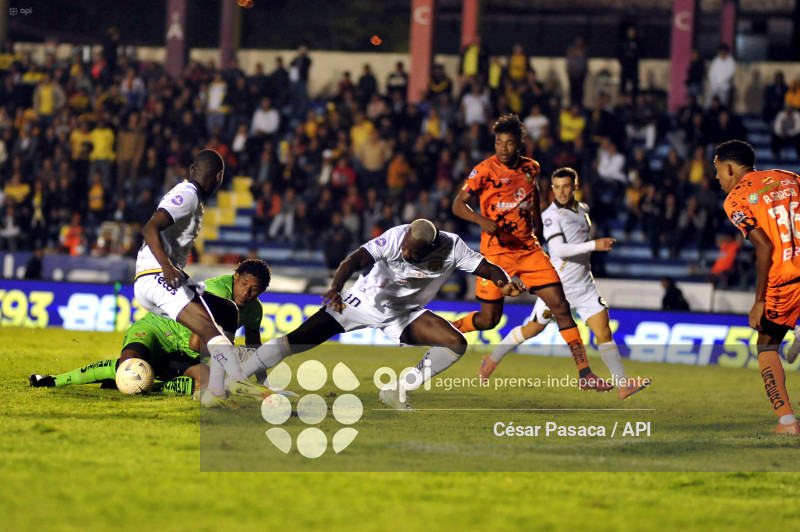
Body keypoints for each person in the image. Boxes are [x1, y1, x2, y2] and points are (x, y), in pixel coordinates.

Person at [239, 219, 527, 410]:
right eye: (404, 246)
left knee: (455, 343)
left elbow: (487, 268)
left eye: (411, 252)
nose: (404, 252)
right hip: (361, 301)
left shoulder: (453, 247)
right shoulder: (395, 238)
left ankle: (396, 391)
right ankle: (239, 376)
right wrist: (336, 288)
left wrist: (504, 282)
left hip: (404, 314)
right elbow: (354, 260)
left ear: (428, 248)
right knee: (298, 339)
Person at [450, 114, 612, 392]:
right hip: (495, 255)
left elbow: (532, 192)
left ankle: (585, 374)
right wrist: (479, 220)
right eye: (499, 142)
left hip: (528, 250)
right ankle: (451, 329)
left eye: (509, 143)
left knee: (560, 306)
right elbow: (457, 205)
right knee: (489, 320)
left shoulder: (531, 168)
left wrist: (536, 219)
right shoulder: (483, 171)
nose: (502, 148)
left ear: (519, 145)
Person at [479, 168, 650, 399]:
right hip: (559, 286)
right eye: (556, 187)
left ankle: (622, 384)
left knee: (603, 330)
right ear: (552, 189)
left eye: (566, 186)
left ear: (575, 187)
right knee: (533, 328)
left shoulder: (583, 210)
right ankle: (492, 358)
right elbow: (558, 249)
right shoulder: (551, 216)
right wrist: (594, 245)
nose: (561, 191)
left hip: (585, 284)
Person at [133, 149, 270, 407]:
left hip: (164, 278)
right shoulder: (187, 195)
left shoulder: (190, 196)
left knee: (228, 311)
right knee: (209, 330)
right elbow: (151, 227)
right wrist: (166, 266)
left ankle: (215, 392)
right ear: (218, 177)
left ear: (193, 169)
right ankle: (237, 380)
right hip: (155, 277)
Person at [29, 261, 272, 396]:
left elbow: (254, 347)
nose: (246, 292)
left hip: (186, 354)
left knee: (208, 382)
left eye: (254, 290)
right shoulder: (218, 294)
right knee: (129, 364)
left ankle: (155, 384)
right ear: (235, 276)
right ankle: (54, 381)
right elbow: (196, 344)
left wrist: (264, 384)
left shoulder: (254, 311)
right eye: (243, 284)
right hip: (158, 331)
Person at [715, 139, 800, 434]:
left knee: (766, 345)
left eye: (718, 171)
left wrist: (759, 300)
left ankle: (787, 421)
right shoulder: (790, 177)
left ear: (728, 167)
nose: (717, 178)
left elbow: (764, 247)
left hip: (785, 276)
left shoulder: (737, 198)